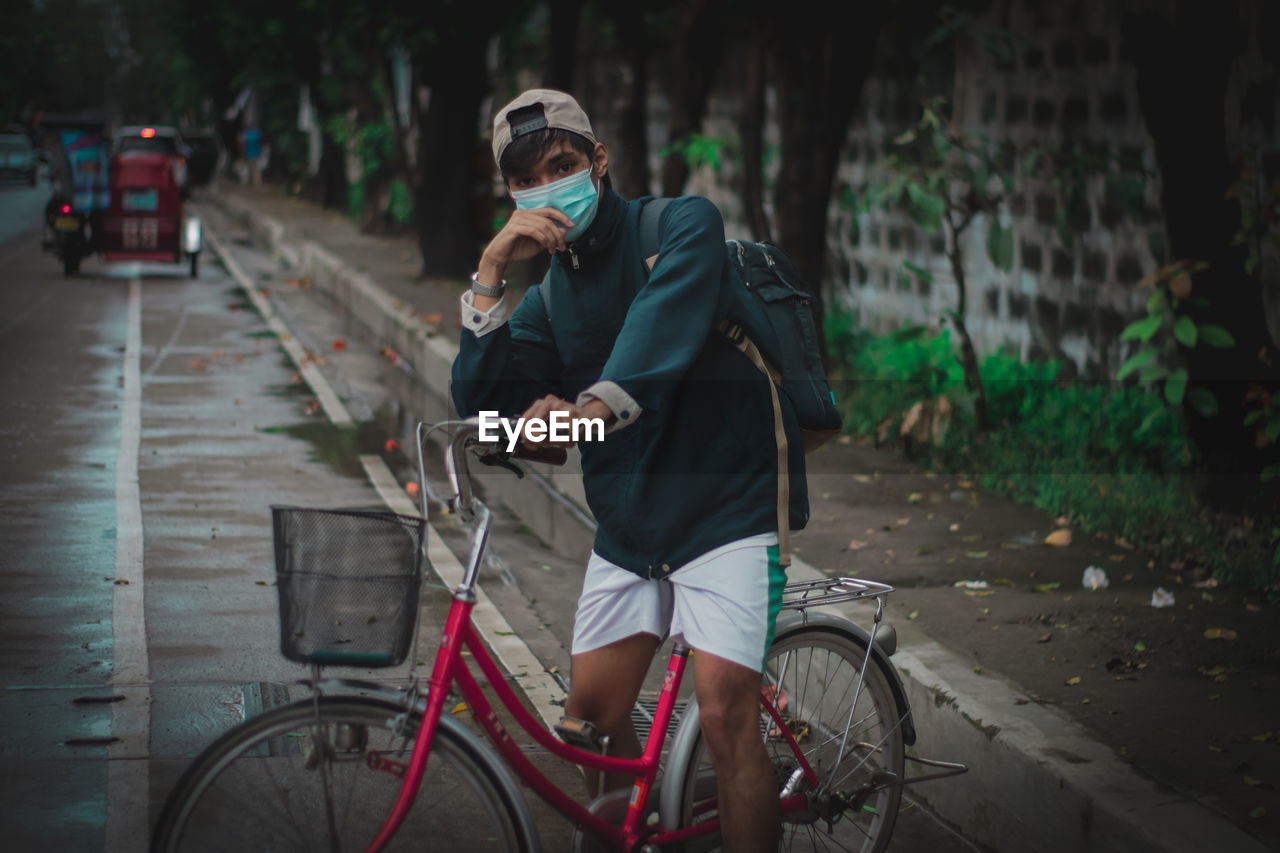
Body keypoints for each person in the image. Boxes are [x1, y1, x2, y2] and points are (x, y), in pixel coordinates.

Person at [450, 89, 809, 852]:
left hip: (727, 504)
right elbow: (489, 410)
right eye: (528, 179)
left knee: (724, 713)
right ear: (512, 196)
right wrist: (489, 273)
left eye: (564, 165)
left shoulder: (682, 226)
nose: (550, 186)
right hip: (632, 521)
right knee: (593, 721)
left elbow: (652, 342)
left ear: (599, 161)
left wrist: (587, 408)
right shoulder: (547, 299)